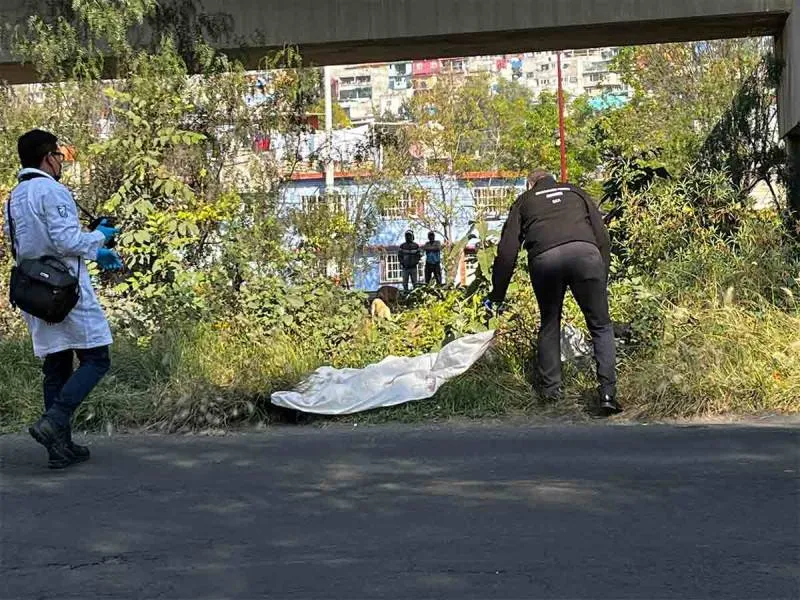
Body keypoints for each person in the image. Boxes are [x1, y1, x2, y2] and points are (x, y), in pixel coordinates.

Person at [3, 129, 123, 468]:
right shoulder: (51, 190)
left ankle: (60, 447)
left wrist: (95, 245)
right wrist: (101, 237)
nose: (61, 162)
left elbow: (23, 244)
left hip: (35, 292)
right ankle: (54, 421)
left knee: (56, 366)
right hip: (65, 290)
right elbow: (67, 241)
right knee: (96, 359)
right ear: (47, 158)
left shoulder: (14, 197)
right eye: (59, 155)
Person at [484, 169, 622, 416]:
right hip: (586, 255)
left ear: (530, 185)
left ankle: (552, 394)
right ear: (552, 179)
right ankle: (608, 394)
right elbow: (601, 235)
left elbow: (507, 251)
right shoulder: (575, 191)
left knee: (550, 324)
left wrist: (498, 293)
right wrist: (603, 273)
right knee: (600, 325)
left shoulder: (525, 201)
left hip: (545, 260)